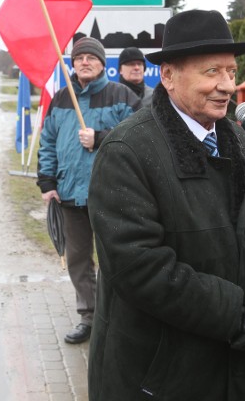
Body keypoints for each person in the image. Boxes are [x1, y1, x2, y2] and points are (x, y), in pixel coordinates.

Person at [87, 10, 245, 400]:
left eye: (231, 72)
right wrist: (237, 315)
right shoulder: (126, 151)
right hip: (156, 378)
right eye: (211, 72)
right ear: (168, 76)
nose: (226, 86)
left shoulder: (241, 142)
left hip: (231, 368)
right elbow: (139, 266)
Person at [37, 36, 141, 345]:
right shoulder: (59, 99)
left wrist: (101, 137)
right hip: (69, 195)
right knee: (79, 260)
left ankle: (120, 316)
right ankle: (89, 316)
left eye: (91, 58)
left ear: (102, 64)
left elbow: (138, 137)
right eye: (79, 57)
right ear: (72, 63)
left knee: (117, 258)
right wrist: (47, 181)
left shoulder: (121, 95)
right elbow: (48, 143)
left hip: (111, 194)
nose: (84, 62)